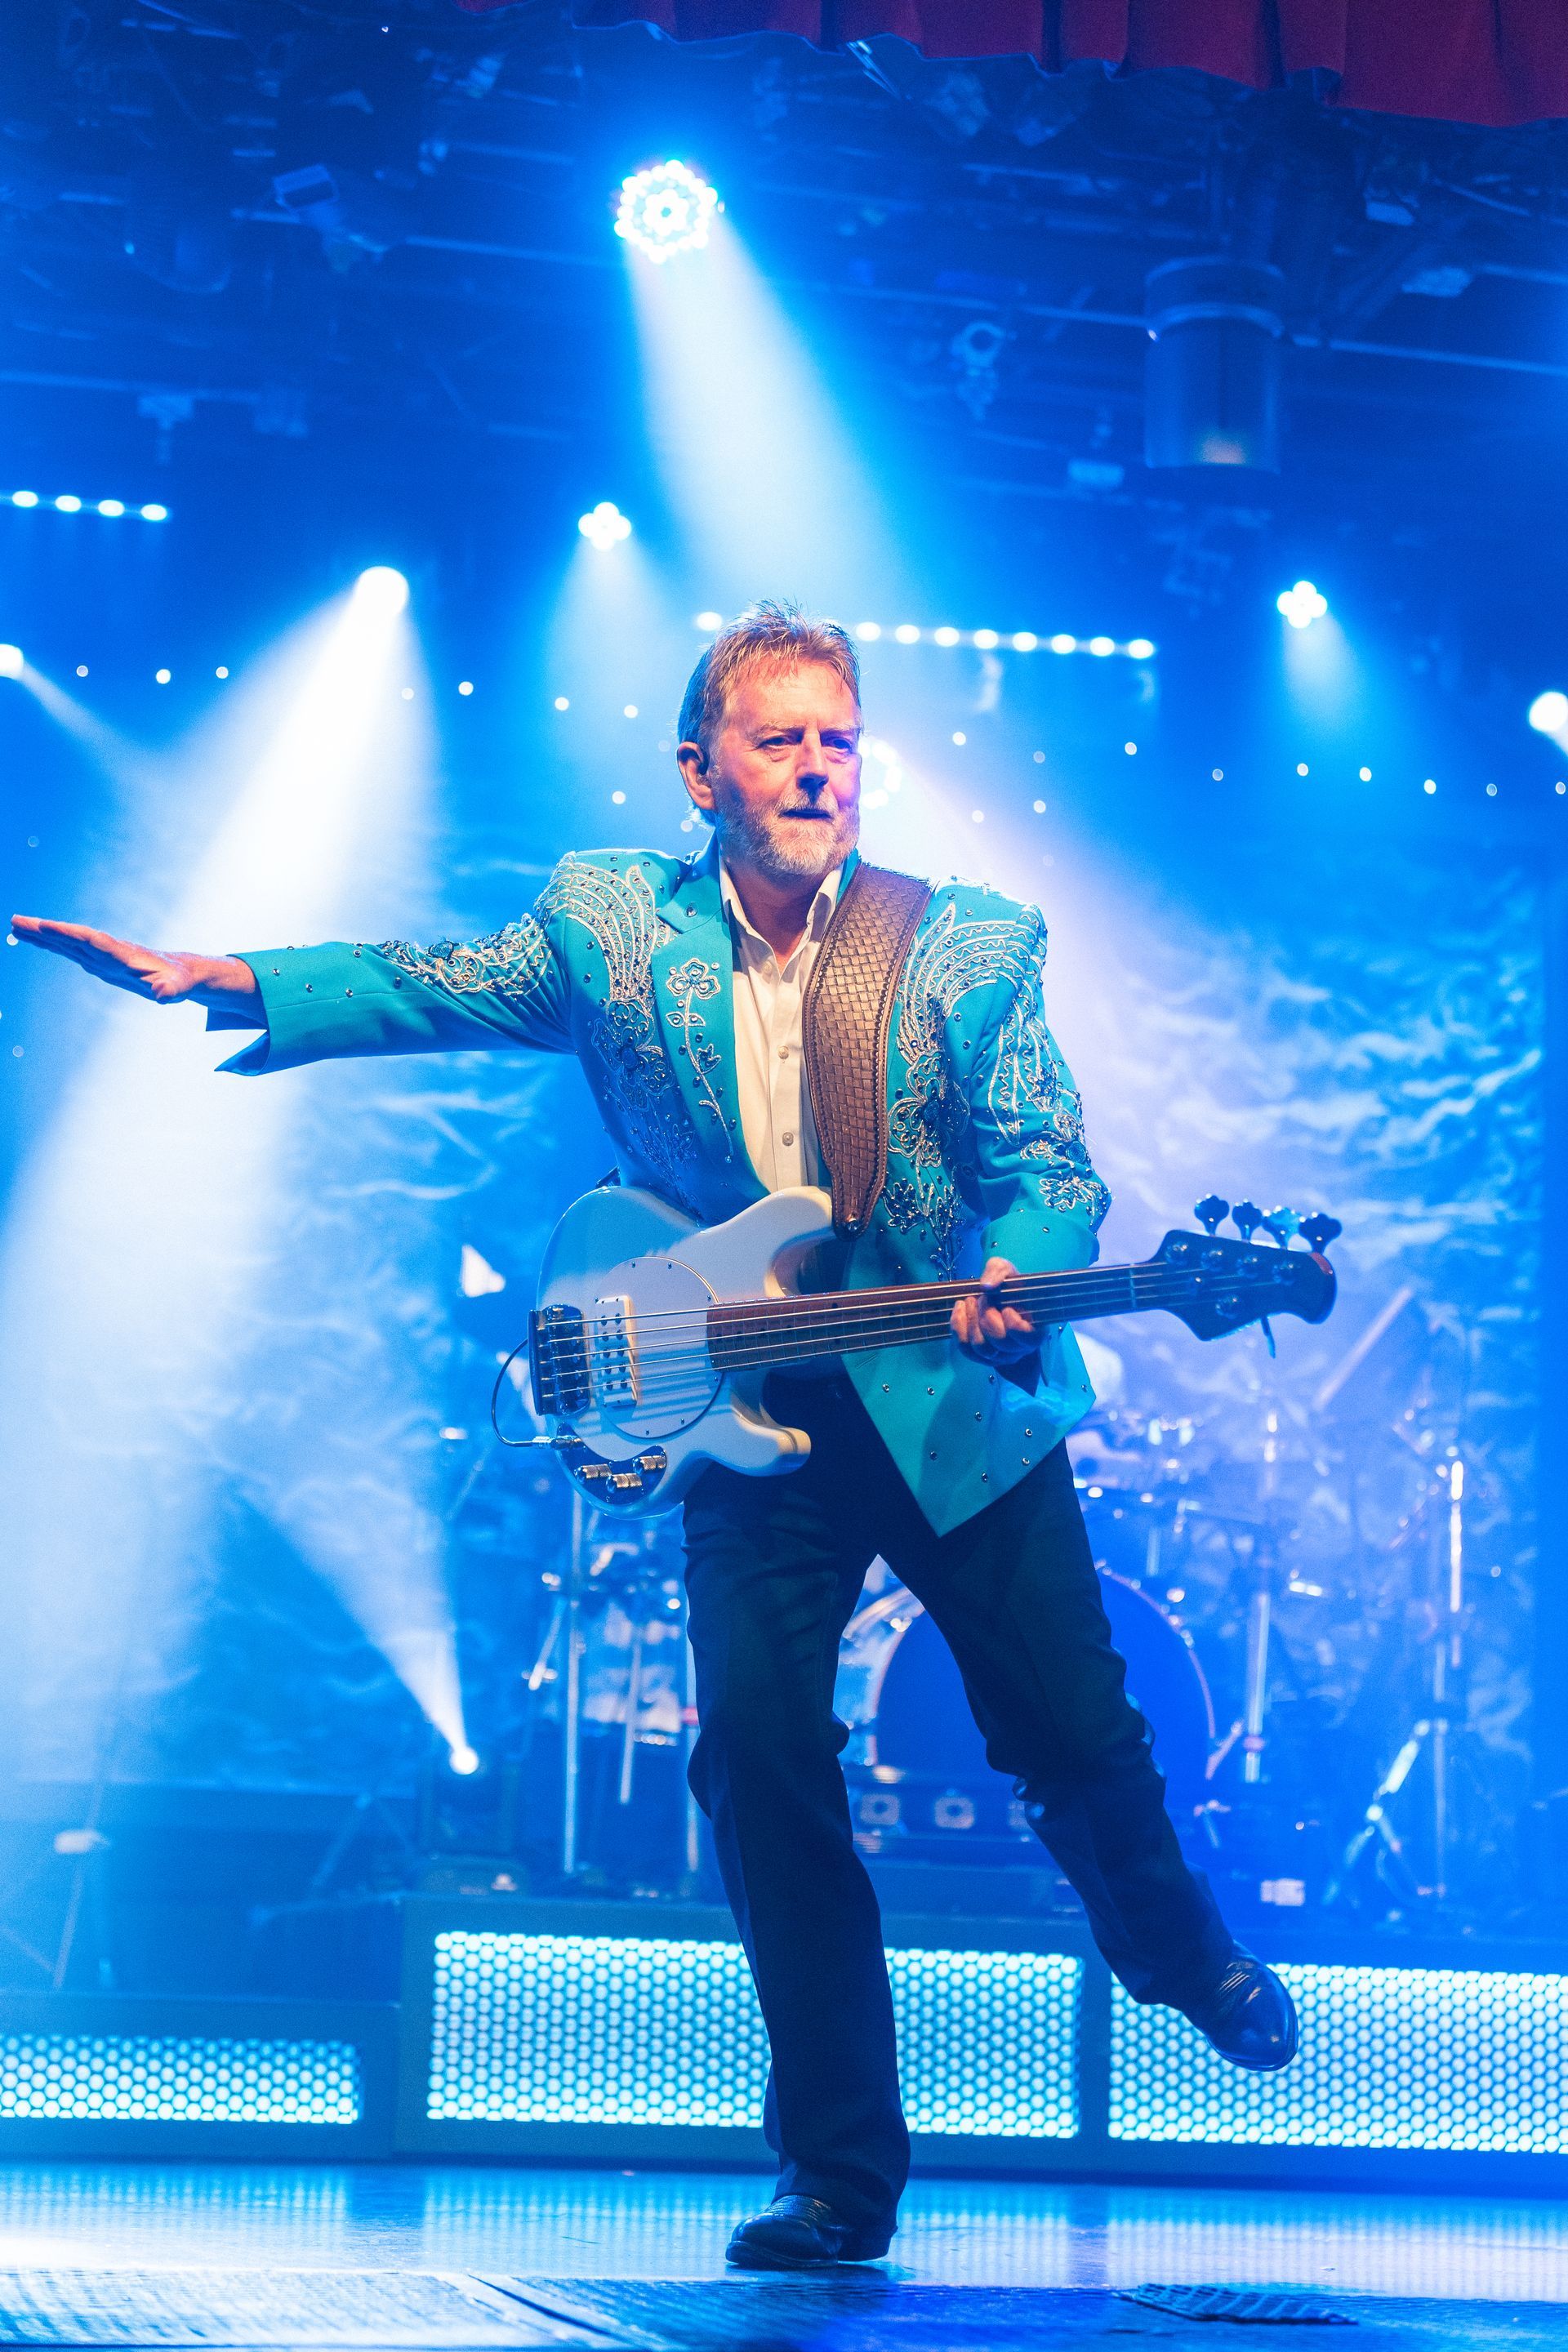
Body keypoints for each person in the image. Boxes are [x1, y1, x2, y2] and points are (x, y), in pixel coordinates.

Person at [13, 600, 1296, 2270]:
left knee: (1072, 1734)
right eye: (782, 738)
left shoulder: (966, 943)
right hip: (745, 1405)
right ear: (700, 768)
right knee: (756, 1760)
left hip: (947, 1392)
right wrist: (242, 975)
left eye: (840, 738)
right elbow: (439, 983)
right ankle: (839, 2175)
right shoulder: (612, 925)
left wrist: (1023, 1272)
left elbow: (1048, 1161)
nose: (820, 766)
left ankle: (1178, 1951)